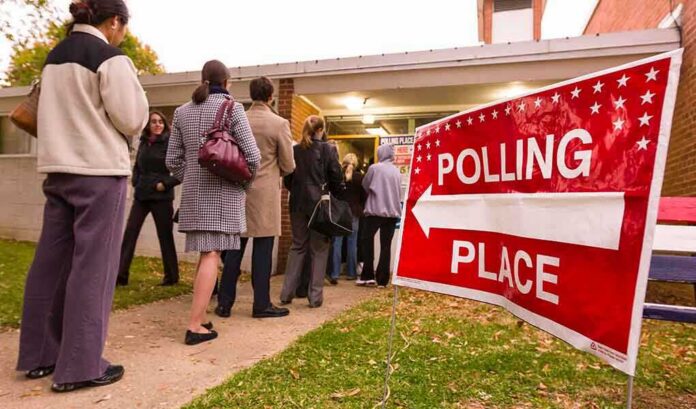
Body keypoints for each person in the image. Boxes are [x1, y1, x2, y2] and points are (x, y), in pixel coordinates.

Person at [16, 0, 148, 393]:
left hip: (58, 170)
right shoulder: (110, 58)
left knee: (49, 265)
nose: (123, 33)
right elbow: (131, 117)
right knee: (94, 269)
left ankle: (39, 354)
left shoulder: (53, 58)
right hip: (99, 173)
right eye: (123, 27)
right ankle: (80, 365)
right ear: (114, 22)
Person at [166, 60, 260, 345]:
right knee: (211, 255)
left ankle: (201, 314)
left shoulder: (182, 112)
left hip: (194, 196)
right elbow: (253, 157)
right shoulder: (233, 109)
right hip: (222, 194)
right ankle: (195, 326)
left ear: (203, 79)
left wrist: (192, 176)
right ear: (227, 82)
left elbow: (172, 160)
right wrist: (242, 183)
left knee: (206, 253)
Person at [215, 76, 294, 319]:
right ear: (271, 96)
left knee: (234, 250)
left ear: (251, 94)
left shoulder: (236, 120)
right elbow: (289, 164)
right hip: (265, 193)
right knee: (263, 251)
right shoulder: (279, 123)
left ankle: (224, 303)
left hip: (238, 189)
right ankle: (261, 304)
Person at [280, 116, 344, 308]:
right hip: (320, 205)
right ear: (321, 130)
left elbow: (288, 180)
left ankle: (286, 293)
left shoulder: (295, 150)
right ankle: (315, 297)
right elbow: (336, 177)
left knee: (297, 246)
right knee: (319, 250)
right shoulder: (328, 149)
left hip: (298, 203)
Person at [117, 111, 181, 287]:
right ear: (148, 125)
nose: (157, 124)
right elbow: (138, 165)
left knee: (165, 236)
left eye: (160, 121)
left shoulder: (170, 143)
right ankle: (120, 275)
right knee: (130, 232)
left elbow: (182, 169)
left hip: (161, 197)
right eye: (153, 122)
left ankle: (171, 277)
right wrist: (136, 180)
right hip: (142, 195)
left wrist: (165, 184)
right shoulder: (144, 142)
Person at [357, 144, 402, 288]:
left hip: (375, 211)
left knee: (366, 240)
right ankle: (383, 280)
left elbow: (365, 184)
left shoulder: (374, 168)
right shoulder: (397, 171)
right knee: (386, 245)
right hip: (392, 213)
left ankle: (367, 275)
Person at [329, 153, 366, 283]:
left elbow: (333, 193)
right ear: (356, 163)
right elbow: (364, 196)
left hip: (339, 212)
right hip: (354, 213)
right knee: (352, 243)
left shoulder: (338, 176)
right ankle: (351, 273)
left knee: (337, 243)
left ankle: (334, 274)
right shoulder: (360, 178)